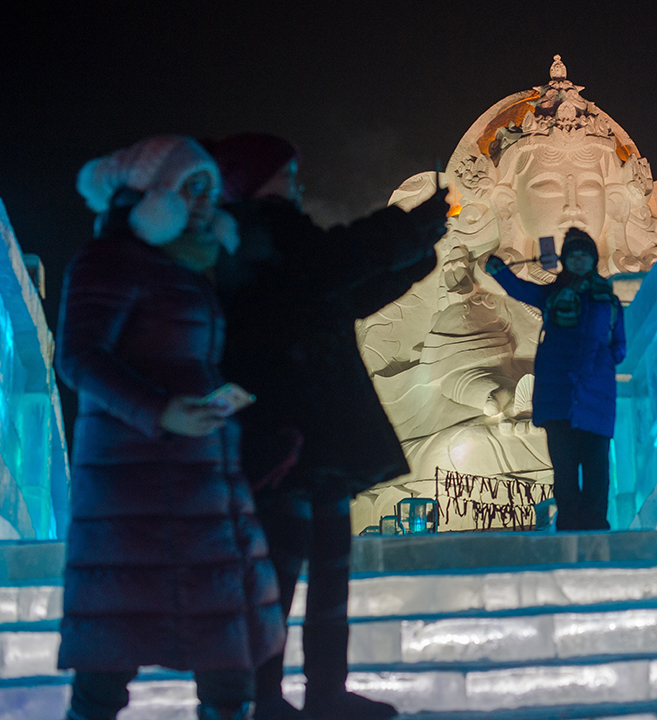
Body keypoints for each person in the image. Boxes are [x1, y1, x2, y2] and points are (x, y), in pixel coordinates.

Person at [206, 133, 447, 720]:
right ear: (255, 176)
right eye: (286, 170)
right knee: (283, 569)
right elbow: (335, 263)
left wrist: (417, 252)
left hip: (316, 433)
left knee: (327, 565)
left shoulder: (280, 239)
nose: (296, 179)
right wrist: (408, 231)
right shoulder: (255, 233)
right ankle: (266, 695)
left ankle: (322, 690)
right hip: (285, 434)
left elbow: (343, 292)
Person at [58, 135, 285, 720]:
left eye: (212, 188)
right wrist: (160, 411)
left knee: (227, 659)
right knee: (108, 668)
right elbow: (78, 357)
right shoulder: (107, 259)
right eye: (193, 187)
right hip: (130, 492)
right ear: (153, 196)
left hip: (202, 485)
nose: (207, 201)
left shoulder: (188, 268)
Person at [485, 227, 625, 530]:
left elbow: (620, 346)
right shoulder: (551, 295)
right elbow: (520, 290)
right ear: (563, 259)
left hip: (596, 397)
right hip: (558, 398)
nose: (578, 261)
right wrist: (498, 270)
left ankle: (594, 525)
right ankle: (570, 525)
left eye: (583, 255)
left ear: (592, 259)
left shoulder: (607, 300)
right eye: (572, 255)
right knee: (564, 468)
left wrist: (601, 363)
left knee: (596, 468)